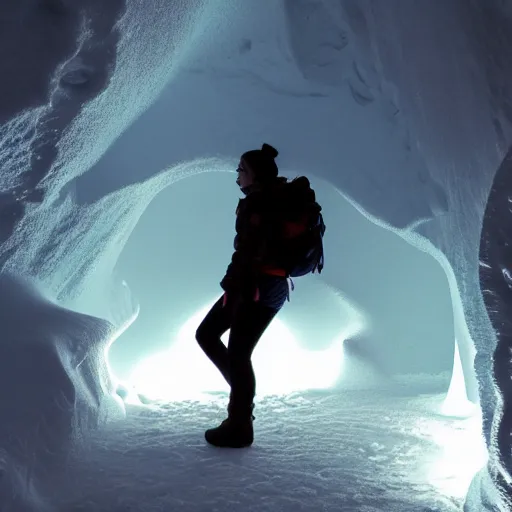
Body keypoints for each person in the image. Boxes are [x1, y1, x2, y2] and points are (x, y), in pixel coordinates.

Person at [195, 143, 324, 448]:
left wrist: (232, 288)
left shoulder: (259, 203)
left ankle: (239, 425)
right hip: (271, 286)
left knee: (231, 349)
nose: (237, 176)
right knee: (215, 339)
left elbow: (249, 252)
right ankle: (241, 401)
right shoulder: (274, 198)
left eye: (241, 170)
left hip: (255, 285)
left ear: (254, 174)